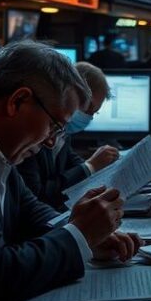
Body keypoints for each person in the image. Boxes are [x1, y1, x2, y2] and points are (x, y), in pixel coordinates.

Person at [0, 41, 142, 301]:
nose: (51, 142)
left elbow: (33, 213)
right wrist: (78, 237)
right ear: (18, 101)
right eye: (54, 126)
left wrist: (89, 236)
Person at [18, 62, 120, 210]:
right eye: (88, 108)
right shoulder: (35, 131)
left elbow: (72, 162)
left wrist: (100, 167)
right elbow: (38, 195)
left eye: (94, 111)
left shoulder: (64, 130)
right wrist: (90, 166)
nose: (89, 116)